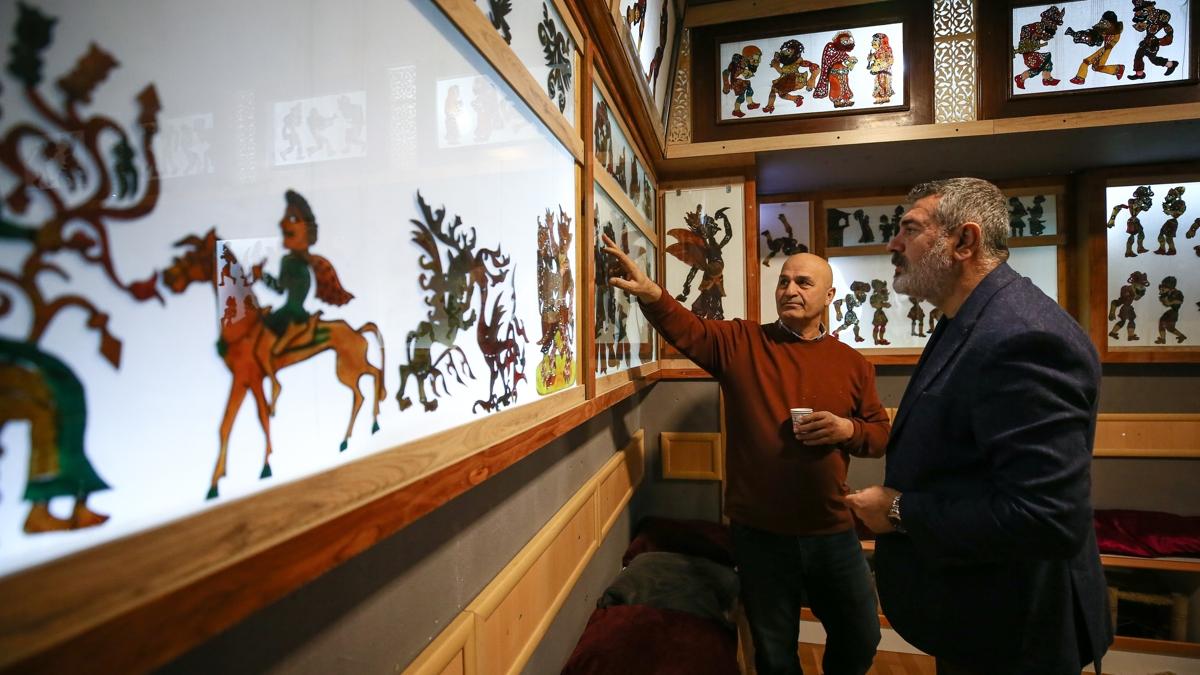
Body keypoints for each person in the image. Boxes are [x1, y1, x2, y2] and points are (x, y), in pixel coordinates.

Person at [844, 178, 1111, 674]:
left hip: (1014, 628)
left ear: (964, 241)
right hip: (978, 612)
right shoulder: (970, 317)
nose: (893, 244)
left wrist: (899, 510)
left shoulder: (1022, 336)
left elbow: (1047, 519)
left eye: (910, 229)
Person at [603, 235, 890, 675]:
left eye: (804, 283)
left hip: (830, 528)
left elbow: (880, 435)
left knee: (861, 635)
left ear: (830, 295)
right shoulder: (742, 342)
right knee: (774, 654)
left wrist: (847, 429)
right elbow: (688, 328)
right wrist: (650, 292)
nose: (790, 290)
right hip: (760, 533)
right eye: (784, 281)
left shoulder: (853, 364)